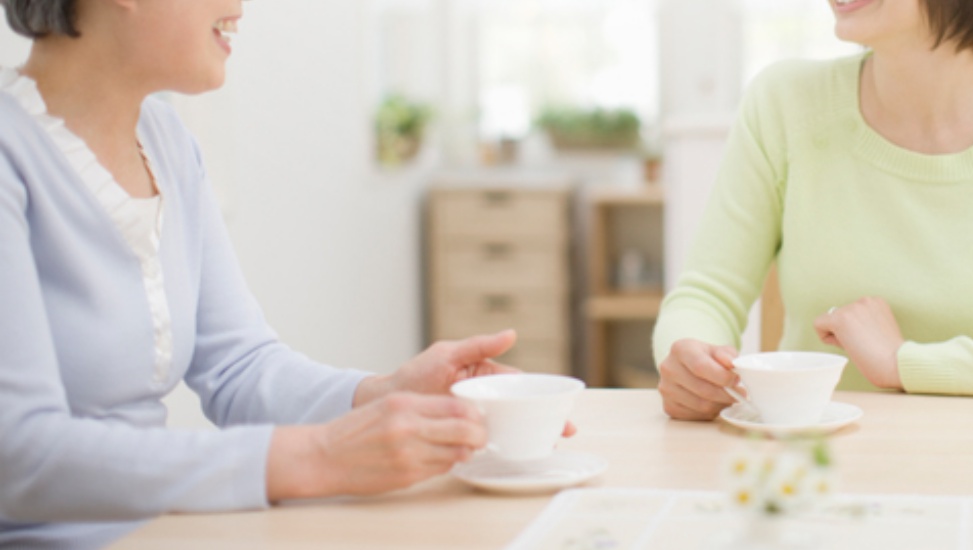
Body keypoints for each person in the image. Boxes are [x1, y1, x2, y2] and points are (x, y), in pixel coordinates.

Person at [0, 1, 570, 546]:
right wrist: (317, 456)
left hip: (166, 532)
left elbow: (238, 365)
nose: (241, 5)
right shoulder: (11, 156)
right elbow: (21, 450)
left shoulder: (168, 144)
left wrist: (384, 394)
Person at [652, 0, 973, 420]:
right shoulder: (784, 103)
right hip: (812, 470)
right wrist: (690, 357)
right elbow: (706, 295)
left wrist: (904, 363)